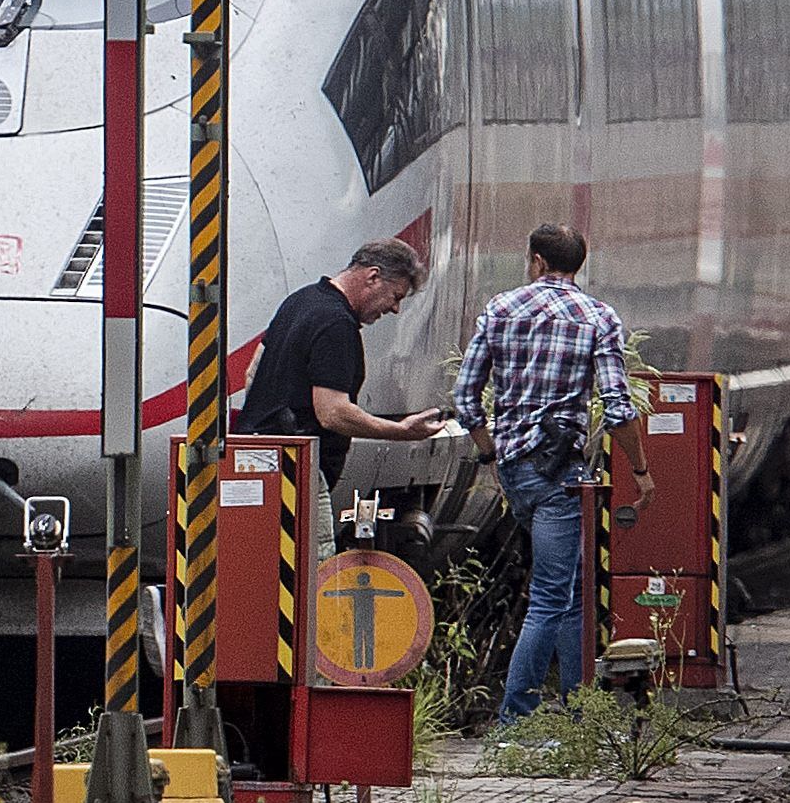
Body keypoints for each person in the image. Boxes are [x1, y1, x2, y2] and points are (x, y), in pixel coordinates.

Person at [452, 223, 654, 722]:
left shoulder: (501, 308)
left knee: (571, 590)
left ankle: (580, 706)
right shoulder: (597, 317)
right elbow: (617, 405)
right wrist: (642, 471)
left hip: (516, 469)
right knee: (551, 596)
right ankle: (515, 720)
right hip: (561, 476)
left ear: (537, 260)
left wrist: (490, 456)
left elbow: (465, 398)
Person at [237, 238, 442, 562]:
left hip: (254, 458)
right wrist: (401, 430)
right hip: (298, 467)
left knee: (258, 565)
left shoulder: (300, 301)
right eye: (395, 296)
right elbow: (332, 414)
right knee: (310, 569)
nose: (394, 309)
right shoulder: (336, 325)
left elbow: (252, 372)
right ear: (373, 277)